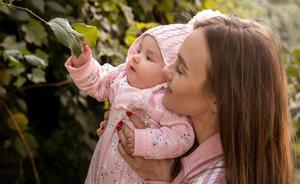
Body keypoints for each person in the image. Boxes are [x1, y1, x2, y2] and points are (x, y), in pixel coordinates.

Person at [114, 15, 294, 183]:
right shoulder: (185, 150)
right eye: (174, 60)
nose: (165, 71)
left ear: (216, 97)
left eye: (180, 69)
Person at [65, 10, 224, 184]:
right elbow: (98, 81)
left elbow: (181, 136)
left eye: (180, 68)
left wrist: (140, 141)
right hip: (99, 171)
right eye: (138, 50)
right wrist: (84, 63)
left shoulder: (162, 104)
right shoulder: (121, 79)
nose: (136, 58)